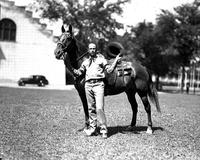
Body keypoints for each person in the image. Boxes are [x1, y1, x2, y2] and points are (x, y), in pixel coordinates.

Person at [72, 43, 121, 138]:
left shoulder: (101, 60)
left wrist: (115, 62)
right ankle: (92, 129)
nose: (92, 50)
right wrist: (69, 65)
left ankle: (103, 130)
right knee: (91, 108)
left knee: (99, 108)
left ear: (96, 50)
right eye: (90, 48)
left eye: (94, 48)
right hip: (88, 85)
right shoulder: (85, 62)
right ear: (88, 50)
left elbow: (109, 70)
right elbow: (78, 72)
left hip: (99, 85)